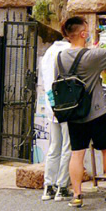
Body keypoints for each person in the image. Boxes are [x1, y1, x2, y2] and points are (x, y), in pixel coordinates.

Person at [56, 14, 106, 207]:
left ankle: (77, 195)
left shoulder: (60, 57)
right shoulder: (91, 56)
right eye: (87, 31)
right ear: (82, 34)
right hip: (97, 111)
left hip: (74, 113)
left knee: (77, 152)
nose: (89, 34)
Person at [38, 32, 71, 201]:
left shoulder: (48, 53)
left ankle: (48, 186)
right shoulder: (69, 51)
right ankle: (62, 187)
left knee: (54, 146)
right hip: (67, 103)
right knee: (67, 146)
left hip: (52, 104)